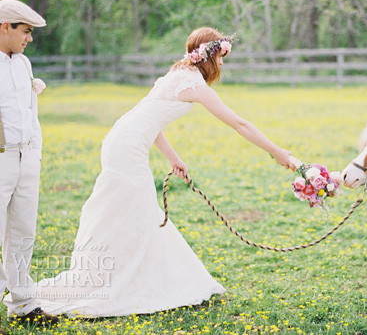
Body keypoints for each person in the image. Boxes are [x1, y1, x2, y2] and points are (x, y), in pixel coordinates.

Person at [36, 27, 296, 318]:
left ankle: (126, 275)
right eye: (221, 57)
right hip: (128, 145)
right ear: (209, 57)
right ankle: (112, 281)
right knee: (137, 211)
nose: (222, 64)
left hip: (121, 138)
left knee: (137, 210)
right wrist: (277, 152)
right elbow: (239, 124)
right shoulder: (193, 85)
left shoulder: (175, 76)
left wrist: (174, 158)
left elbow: (149, 118)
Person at [0, 0, 58, 327]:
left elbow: (28, 110)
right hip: (0, 156)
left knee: (23, 233)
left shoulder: (24, 64)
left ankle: (24, 305)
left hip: (25, 157)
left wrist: (34, 150)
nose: (30, 38)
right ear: (4, 27)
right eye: (26, 31)